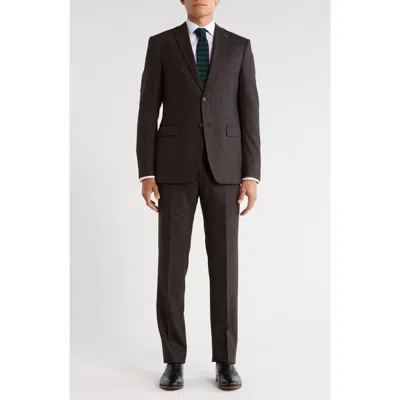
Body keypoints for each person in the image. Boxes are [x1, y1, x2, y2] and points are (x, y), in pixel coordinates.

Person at [136, 0, 261, 391]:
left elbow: (250, 111)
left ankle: (226, 360)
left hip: (226, 170)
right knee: (172, 267)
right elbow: (147, 110)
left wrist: (251, 174)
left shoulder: (239, 46)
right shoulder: (161, 44)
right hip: (173, 170)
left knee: (225, 267)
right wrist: (147, 171)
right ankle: (173, 360)